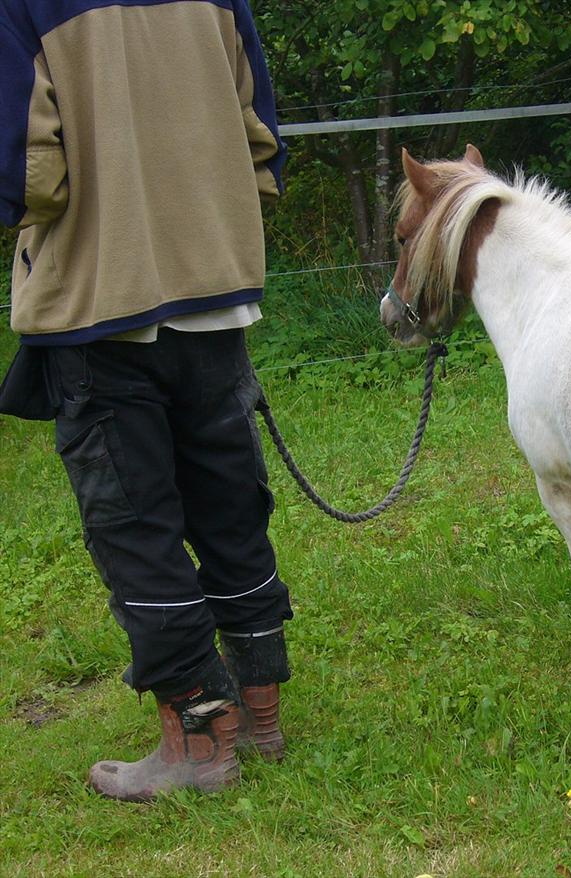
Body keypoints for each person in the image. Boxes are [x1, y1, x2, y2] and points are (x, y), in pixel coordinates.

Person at [0, 0, 293, 801]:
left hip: (105, 303)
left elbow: (29, 171)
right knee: (230, 503)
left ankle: (201, 742)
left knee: (135, 528)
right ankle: (259, 712)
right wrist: (209, 220)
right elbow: (260, 134)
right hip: (215, 291)